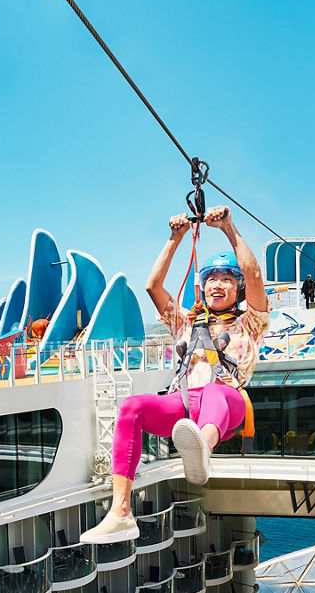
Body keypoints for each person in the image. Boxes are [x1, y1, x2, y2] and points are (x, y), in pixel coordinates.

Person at [82, 206, 270, 543]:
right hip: (184, 405)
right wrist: (174, 239)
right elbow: (153, 286)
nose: (217, 284)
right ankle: (120, 512)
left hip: (226, 405)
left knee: (213, 390)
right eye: (211, 279)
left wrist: (229, 228)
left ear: (238, 289)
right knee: (132, 408)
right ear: (203, 286)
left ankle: (202, 449)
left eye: (227, 279)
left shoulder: (251, 323)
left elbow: (254, 275)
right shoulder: (186, 323)